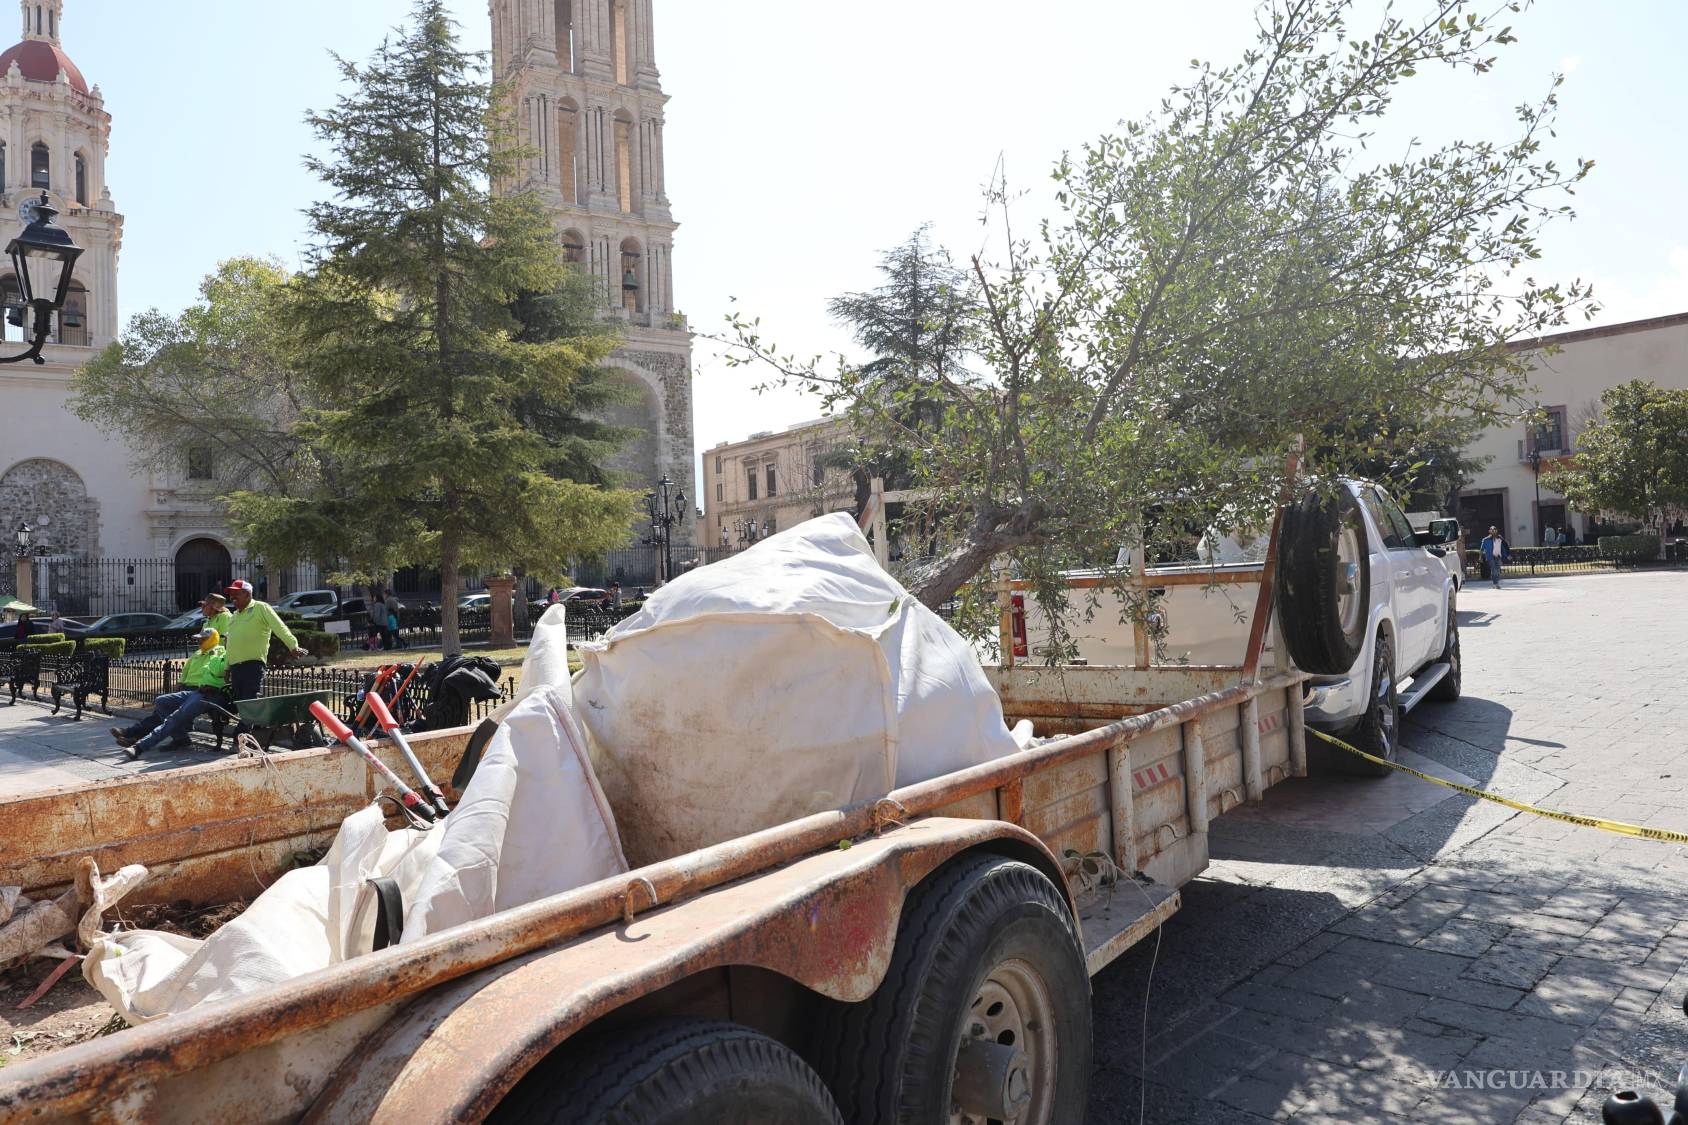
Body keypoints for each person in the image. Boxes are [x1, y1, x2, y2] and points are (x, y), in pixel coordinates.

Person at [111, 627, 228, 759]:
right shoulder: (201, 654)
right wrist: (181, 683)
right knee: (162, 702)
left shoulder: (220, 654)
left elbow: (220, 673)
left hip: (208, 694)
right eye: (199, 639)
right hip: (196, 691)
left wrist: (217, 658)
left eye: (203, 639)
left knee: (172, 718)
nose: (200, 642)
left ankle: (138, 744)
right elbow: (188, 670)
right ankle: (177, 737)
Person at [222, 579, 306, 731]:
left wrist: (293, 646)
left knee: (250, 702)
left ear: (247, 594)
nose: (232, 597)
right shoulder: (234, 616)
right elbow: (230, 645)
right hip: (236, 668)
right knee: (242, 703)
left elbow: (279, 627)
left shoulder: (261, 608)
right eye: (231, 594)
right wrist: (227, 667)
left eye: (236, 594)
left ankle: (241, 738)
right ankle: (259, 731)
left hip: (252, 665)